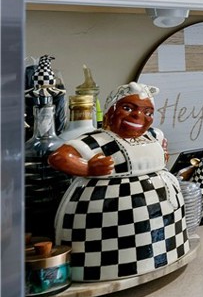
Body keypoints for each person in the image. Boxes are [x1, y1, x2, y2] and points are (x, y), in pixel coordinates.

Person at [48, 82, 190, 282]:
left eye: (147, 112)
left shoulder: (153, 135)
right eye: (128, 108)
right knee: (115, 254)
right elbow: (59, 157)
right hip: (111, 218)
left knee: (160, 244)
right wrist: (88, 168)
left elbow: (161, 151)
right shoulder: (98, 140)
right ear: (109, 112)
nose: (138, 116)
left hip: (165, 215)